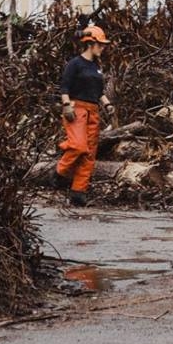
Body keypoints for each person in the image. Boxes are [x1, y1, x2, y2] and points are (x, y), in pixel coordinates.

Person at [55, 24, 115, 207]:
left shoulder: (96, 67)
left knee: (89, 153)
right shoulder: (75, 64)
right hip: (77, 109)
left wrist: (108, 104)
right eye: (100, 45)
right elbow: (64, 87)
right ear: (90, 43)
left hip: (93, 111)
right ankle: (59, 174)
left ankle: (78, 192)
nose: (102, 48)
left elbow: (99, 91)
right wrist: (67, 105)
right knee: (78, 145)